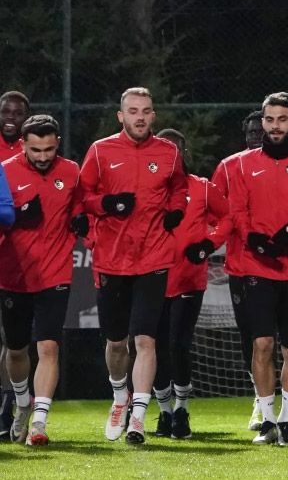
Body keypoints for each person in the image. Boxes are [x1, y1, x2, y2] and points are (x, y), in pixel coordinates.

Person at [79, 87, 188, 444]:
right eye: (133, 111)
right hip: (112, 259)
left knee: (146, 338)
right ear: (120, 116)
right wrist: (107, 203)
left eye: (146, 110)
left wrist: (176, 210)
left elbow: (179, 187)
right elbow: (82, 198)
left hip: (153, 258)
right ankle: (119, 397)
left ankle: (139, 416)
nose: (140, 117)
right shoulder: (100, 151)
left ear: (154, 115)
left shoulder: (168, 152)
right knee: (116, 342)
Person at [223, 93, 288, 446]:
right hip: (257, 266)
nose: (276, 126)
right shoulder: (241, 165)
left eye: (282, 119)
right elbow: (237, 210)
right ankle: (267, 420)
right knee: (262, 343)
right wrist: (254, 239)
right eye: (270, 120)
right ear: (262, 122)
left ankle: (287, 421)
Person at [0, 115, 78, 445]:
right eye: (36, 150)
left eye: (48, 149)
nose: (43, 156)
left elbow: (81, 207)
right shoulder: (4, 170)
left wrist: (83, 220)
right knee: (16, 351)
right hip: (13, 276)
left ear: (58, 142)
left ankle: (40, 422)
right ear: (23, 145)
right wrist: (15, 219)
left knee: (48, 346)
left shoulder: (72, 171)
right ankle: (21, 404)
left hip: (55, 273)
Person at [151, 129, 229, 440]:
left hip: (187, 278)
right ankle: (163, 412)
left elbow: (228, 218)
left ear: (183, 153)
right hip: (152, 279)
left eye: (177, 149)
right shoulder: (150, 188)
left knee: (178, 345)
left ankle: (181, 409)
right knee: (154, 347)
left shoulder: (202, 187)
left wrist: (208, 245)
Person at [210, 109, 265, 432]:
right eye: (252, 132)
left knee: (286, 339)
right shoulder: (229, 167)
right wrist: (212, 239)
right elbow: (216, 213)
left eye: (263, 129)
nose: (258, 136)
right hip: (243, 267)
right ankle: (260, 398)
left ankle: (281, 407)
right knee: (251, 337)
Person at [0, 89, 30, 436]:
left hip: (20, 260)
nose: (11, 116)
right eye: (6, 110)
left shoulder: (34, 150)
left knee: (12, 340)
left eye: (18, 112)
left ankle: (9, 402)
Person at [0, 90, 30, 161]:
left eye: (18, 113)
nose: (10, 117)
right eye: (5, 112)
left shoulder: (36, 147)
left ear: (27, 117)